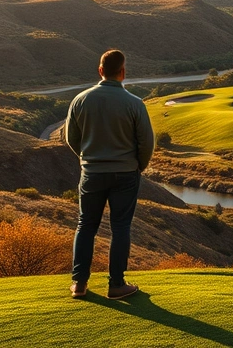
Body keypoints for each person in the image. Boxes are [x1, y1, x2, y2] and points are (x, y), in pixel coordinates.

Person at [65, 49, 155, 299]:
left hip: (92, 174)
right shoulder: (135, 103)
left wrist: (87, 159)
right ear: (123, 72)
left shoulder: (80, 100)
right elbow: (146, 143)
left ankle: (79, 284)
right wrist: (140, 166)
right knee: (121, 227)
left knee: (86, 226)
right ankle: (116, 285)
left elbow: (71, 139)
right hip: (126, 174)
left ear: (100, 71)